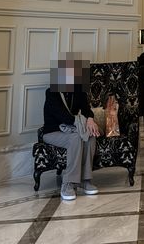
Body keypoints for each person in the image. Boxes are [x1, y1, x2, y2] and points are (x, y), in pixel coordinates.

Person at [43, 53, 100, 201]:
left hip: (72, 128)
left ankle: (86, 180)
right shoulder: (51, 93)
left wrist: (90, 119)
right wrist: (83, 123)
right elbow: (63, 117)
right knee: (76, 138)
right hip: (53, 132)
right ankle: (68, 183)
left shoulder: (78, 91)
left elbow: (87, 110)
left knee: (90, 135)